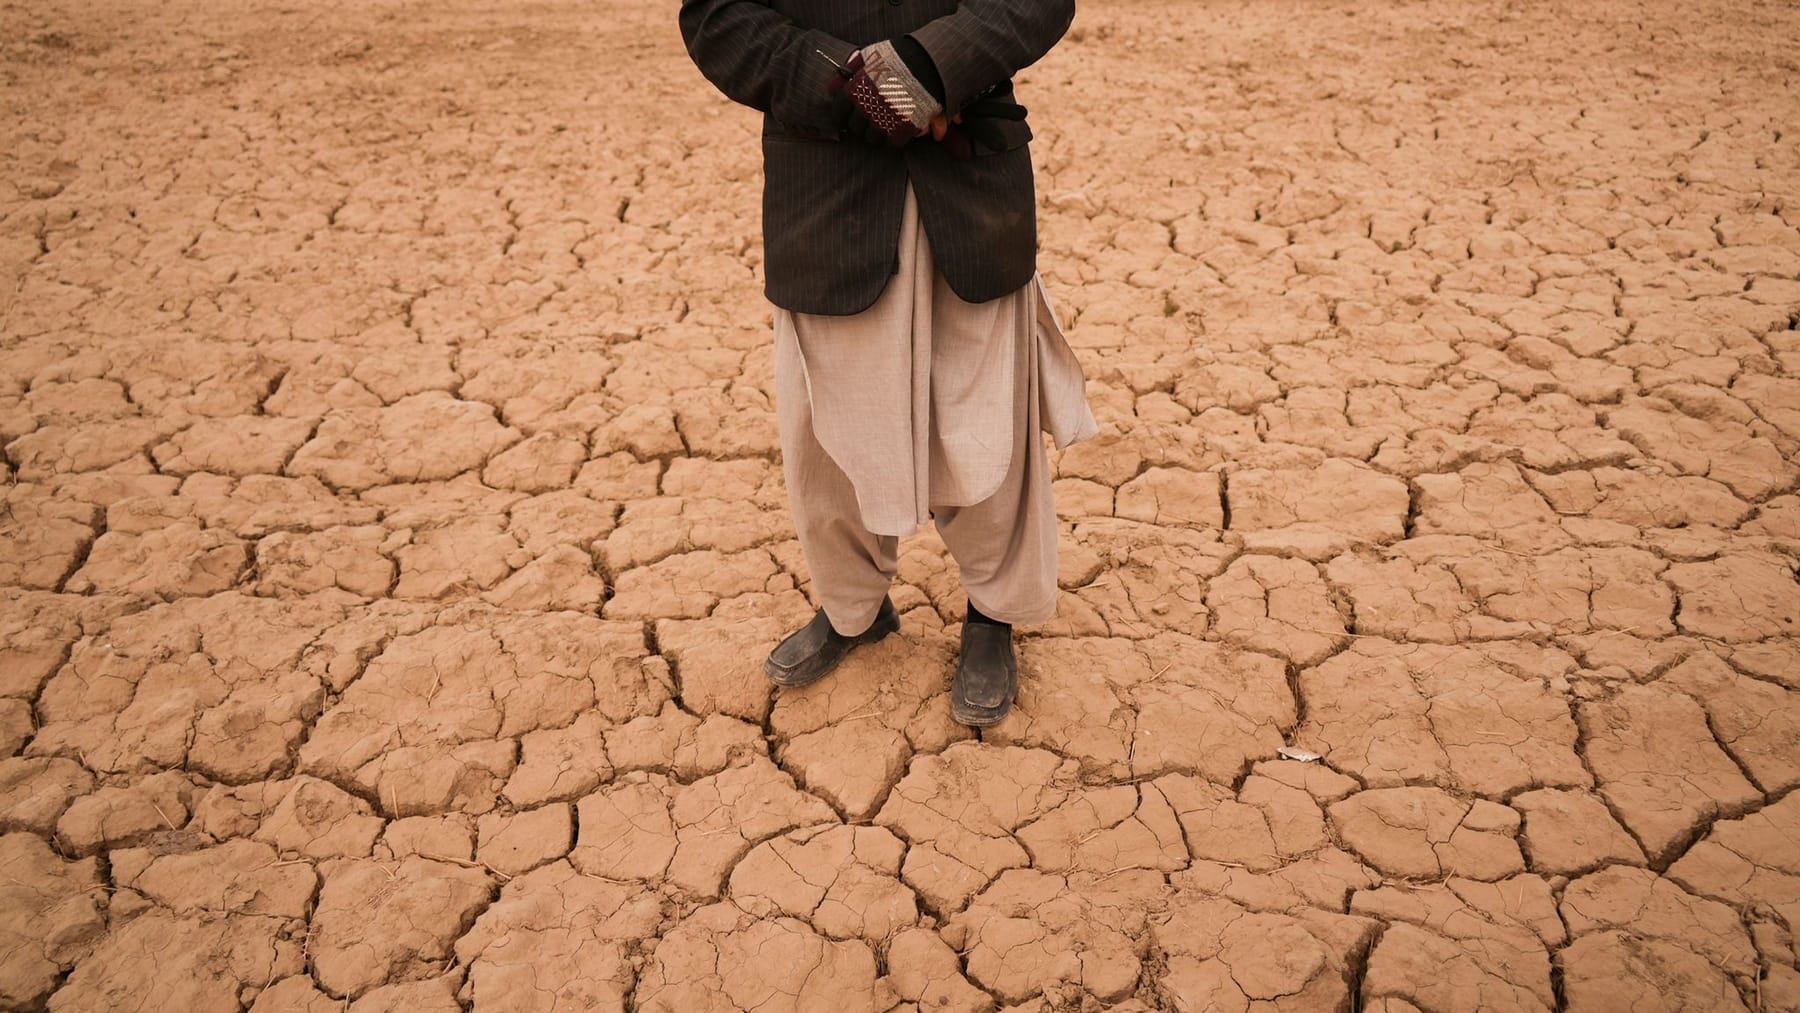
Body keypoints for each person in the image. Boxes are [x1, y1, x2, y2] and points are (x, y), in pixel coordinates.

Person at [678, 0, 1096, 726]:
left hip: (968, 179)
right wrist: (850, 89)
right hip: (825, 186)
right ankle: (853, 609)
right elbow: (718, 17)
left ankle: (992, 615)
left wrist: (922, 73)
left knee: (984, 415)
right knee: (832, 430)